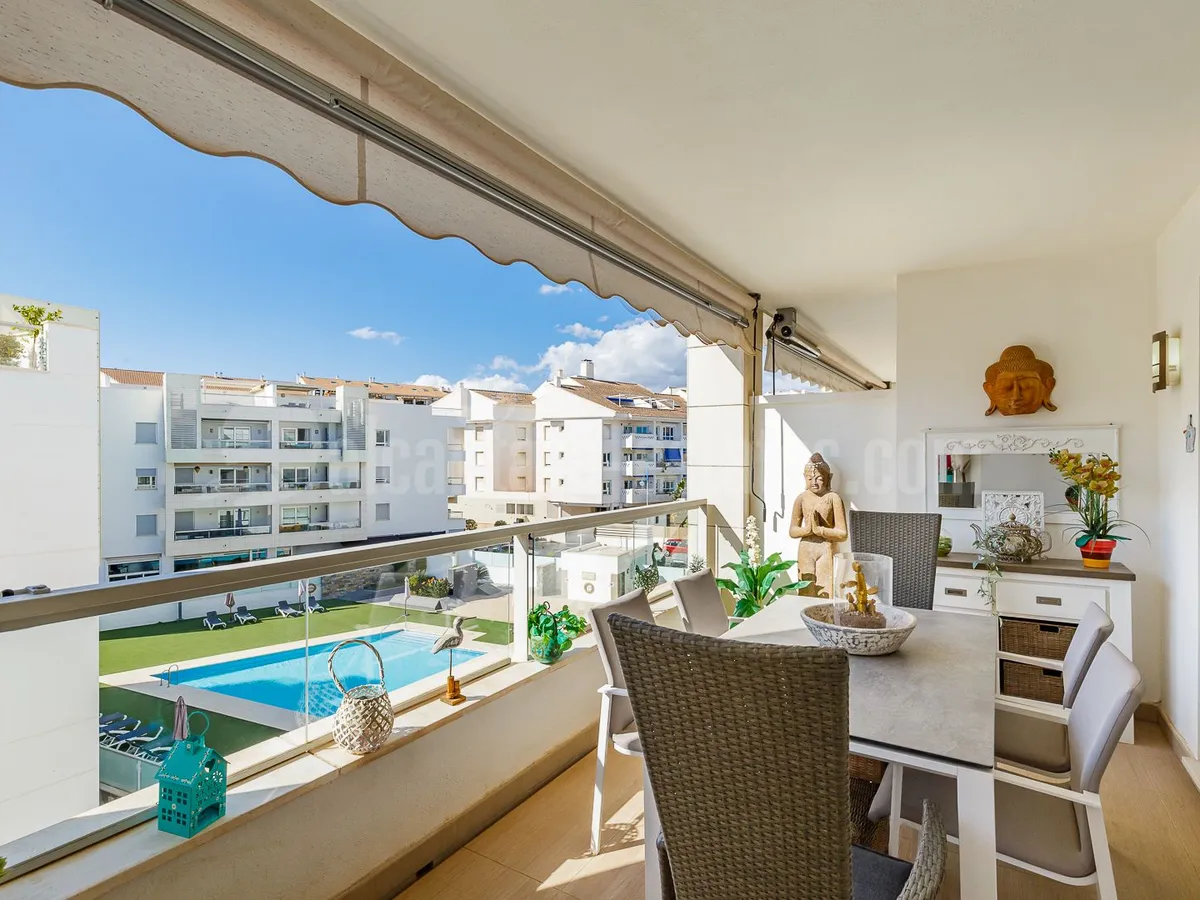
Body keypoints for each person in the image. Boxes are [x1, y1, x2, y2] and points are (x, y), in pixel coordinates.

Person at [788, 453, 848, 598]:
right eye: (810, 479)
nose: (814, 482)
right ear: (804, 478)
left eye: (819, 479)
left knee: (825, 590)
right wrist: (807, 530)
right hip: (806, 548)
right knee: (806, 589)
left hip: (826, 547)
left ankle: (824, 618)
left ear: (828, 478)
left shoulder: (833, 498)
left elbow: (842, 534)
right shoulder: (801, 498)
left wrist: (819, 530)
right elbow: (792, 531)